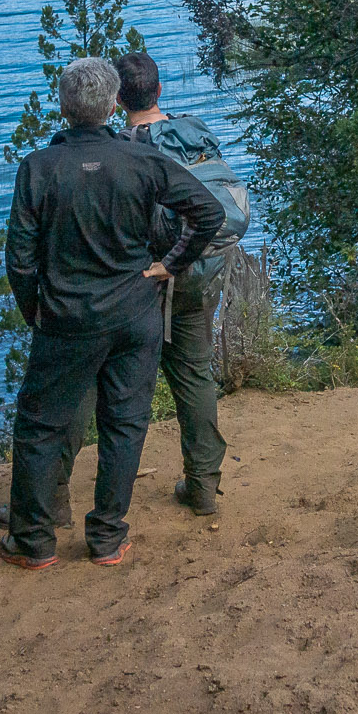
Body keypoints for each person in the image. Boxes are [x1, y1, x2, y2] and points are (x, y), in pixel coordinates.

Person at [0, 57, 224, 569]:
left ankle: (33, 541)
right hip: (132, 313)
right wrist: (171, 264)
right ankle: (105, 537)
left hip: (66, 317)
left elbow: (20, 257)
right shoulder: (140, 160)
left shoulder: (39, 167)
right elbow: (207, 211)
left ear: (64, 106)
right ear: (111, 103)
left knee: (40, 424)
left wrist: (34, 309)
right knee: (124, 423)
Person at [114, 50, 231, 517]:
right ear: (159, 90)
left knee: (117, 387)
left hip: (141, 284)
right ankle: (203, 487)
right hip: (196, 278)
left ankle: (81, 494)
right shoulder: (195, 131)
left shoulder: (117, 148)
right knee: (195, 376)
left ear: (117, 99)